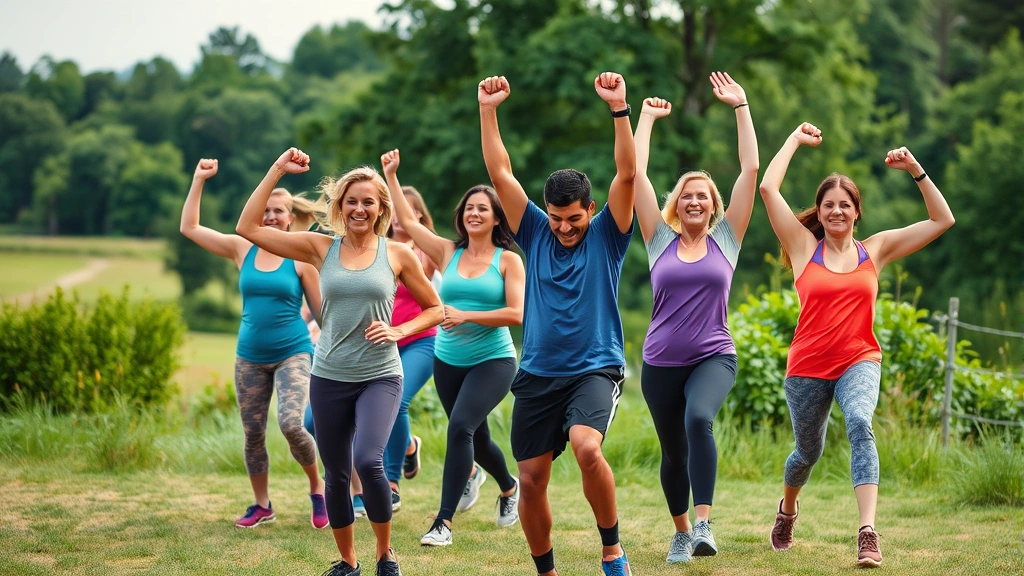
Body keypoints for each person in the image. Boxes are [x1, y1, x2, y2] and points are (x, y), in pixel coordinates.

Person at [236, 148, 444, 576]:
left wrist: (400, 331)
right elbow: (247, 227)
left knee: (368, 460)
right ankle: (348, 562)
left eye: (369, 201)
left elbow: (435, 309)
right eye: (352, 201)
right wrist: (276, 169)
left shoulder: (398, 254)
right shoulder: (319, 248)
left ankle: (386, 555)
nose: (359, 208)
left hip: (380, 375)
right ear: (339, 206)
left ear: (381, 207)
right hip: (329, 374)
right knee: (335, 472)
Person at [759, 124, 954, 567]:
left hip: (859, 359)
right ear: (820, 211)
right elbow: (769, 188)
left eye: (844, 205)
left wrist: (916, 170)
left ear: (856, 211)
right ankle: (787, 510)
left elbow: (943, 220)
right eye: (828, 205)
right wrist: (793, 139)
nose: (836, 211)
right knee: (807, 453)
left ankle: (867, 532)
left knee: (861, 423)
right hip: (807, 366)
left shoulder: (876, 250)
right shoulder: (803, 246)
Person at [478, 72, 636, 576]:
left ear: (591, 209)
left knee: (589, 447)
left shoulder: (608, 235)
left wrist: (619, 109)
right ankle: (546, 569)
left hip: (595, 366)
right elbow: (499, 170)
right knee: (530, 477)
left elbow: (628, 176)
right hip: (539, 371)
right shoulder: (535, 231)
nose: (564, 228)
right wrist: (488, 110)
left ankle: (611, 549)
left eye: (574, 218)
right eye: (556, 218)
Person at [633, 71, 758, 563]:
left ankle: (704, 523)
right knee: (673, 453)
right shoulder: (658, 241)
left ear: (713, 207)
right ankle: (681, 530)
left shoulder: (726, 242)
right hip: (660, 361)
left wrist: (740, 108)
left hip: (714, 355)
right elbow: (635, 175)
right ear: (675, 204)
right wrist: (643, 118)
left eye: (702, 195)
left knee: (699, 419)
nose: (694, 200)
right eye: (686, 193)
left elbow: (749, 171)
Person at [380, 149, 525, 547]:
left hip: (493, 359)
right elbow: (407, 221)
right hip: (448, 359)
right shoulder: (448, 251)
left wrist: (466, 315)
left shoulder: (509, 260)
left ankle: (442, 523)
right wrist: (391, 175)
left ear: (497, 217)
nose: (473, 214)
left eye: (482, 208)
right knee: (475, 438)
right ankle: (510, 486)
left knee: (459, 427)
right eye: (468, 209)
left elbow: (516, 313)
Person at [179, 158, 328, 531]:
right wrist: (199, 180)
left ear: (290, 218)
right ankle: (262, 505)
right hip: (249, 357)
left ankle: (317, 487)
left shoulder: (299, 258)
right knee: (253, 433)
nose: (272, 216)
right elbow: (190, 227)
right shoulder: (240, 249)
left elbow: (322, 313)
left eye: (279, 211)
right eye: (266, 210)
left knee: (292, 424)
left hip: (294, 352)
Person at [383, 184, 439, 510]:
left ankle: (392, 483)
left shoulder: (424, 254)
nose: (400, 220)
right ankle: (407, 448)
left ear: (418, 216)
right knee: (384, 405)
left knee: (397, 401)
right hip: (386, 342)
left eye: (407, 211)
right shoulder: (378, 250)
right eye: (394, 212)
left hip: (421, 341)